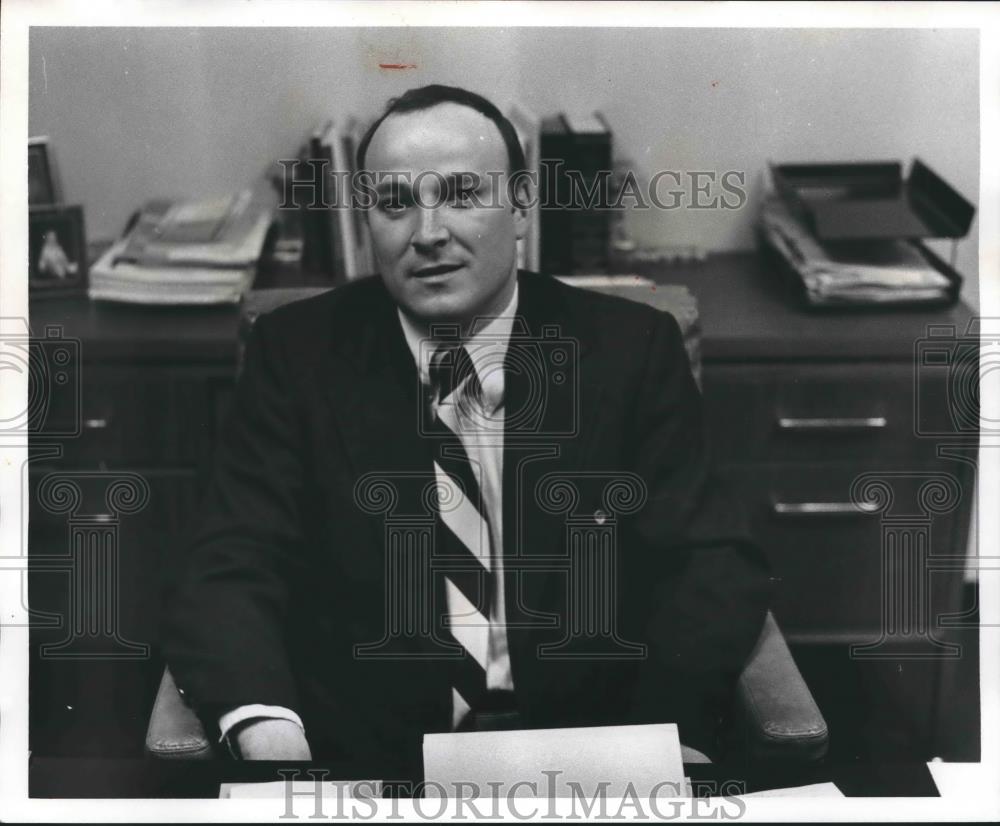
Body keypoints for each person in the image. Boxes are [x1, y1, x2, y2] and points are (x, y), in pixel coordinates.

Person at [163, 85, 770, 776]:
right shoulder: (295, 356)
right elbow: (230, 563)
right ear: (368, 222)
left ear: (519, 209)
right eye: (396, 203)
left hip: (588, 752)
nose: (427, 233)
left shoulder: (630, 351)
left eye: (460, 194)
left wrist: (670, 733)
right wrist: (269, 730)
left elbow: (712, 560)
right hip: (369, 763)